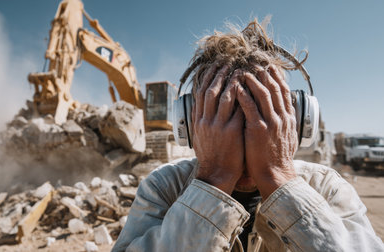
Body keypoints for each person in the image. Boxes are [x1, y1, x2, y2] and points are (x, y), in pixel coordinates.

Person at [112, 20, 384, 252]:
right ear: (190, 124)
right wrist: (214, 179)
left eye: (263, 119)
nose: (243, 143)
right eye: (223, 120)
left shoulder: (326, 187)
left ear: (294, 121)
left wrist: (279, 176)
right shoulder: (164, 187)